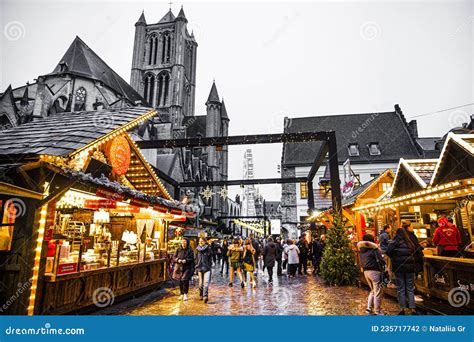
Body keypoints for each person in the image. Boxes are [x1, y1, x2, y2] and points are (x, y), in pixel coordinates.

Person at [386, 227, 419, 315]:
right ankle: (413, 309)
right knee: (410, 288)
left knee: (400, 288)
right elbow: (414, 252)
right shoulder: (410, 243)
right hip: (410, 269)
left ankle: (402, 309)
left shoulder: (393, 243)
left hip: (398, 268)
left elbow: (388, 253)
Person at [358, 234, 386, 315]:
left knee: (372, 291)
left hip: (366, 272)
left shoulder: (361, 250)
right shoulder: (374, 250)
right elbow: (381, 260)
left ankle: (369, 308)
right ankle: (377, 311)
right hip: (375, 271)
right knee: (377, 292)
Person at [195, 237, 213, 303]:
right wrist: (196, 267)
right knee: (200, 284)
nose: (200, 242)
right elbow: (195, 259)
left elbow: (210, 258)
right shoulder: (197, 249)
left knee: (206, 283)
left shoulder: (209, 249)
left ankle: (205, 296)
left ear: (205, 242)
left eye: (202, 241)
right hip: (199, 268)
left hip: (207, 268)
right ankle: (201, 295)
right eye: (199, 241)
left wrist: (209, 265)